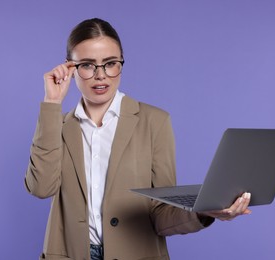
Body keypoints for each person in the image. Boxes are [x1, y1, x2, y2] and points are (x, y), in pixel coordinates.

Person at [25, 18, 251, 260]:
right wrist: (51, 104)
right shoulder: (56, 125)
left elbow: (161, 213)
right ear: (70, 68)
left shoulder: (155, 121)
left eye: (111, 63)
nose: (101, 76)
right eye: (88, 65)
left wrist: (204, 211)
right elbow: (41, 188)